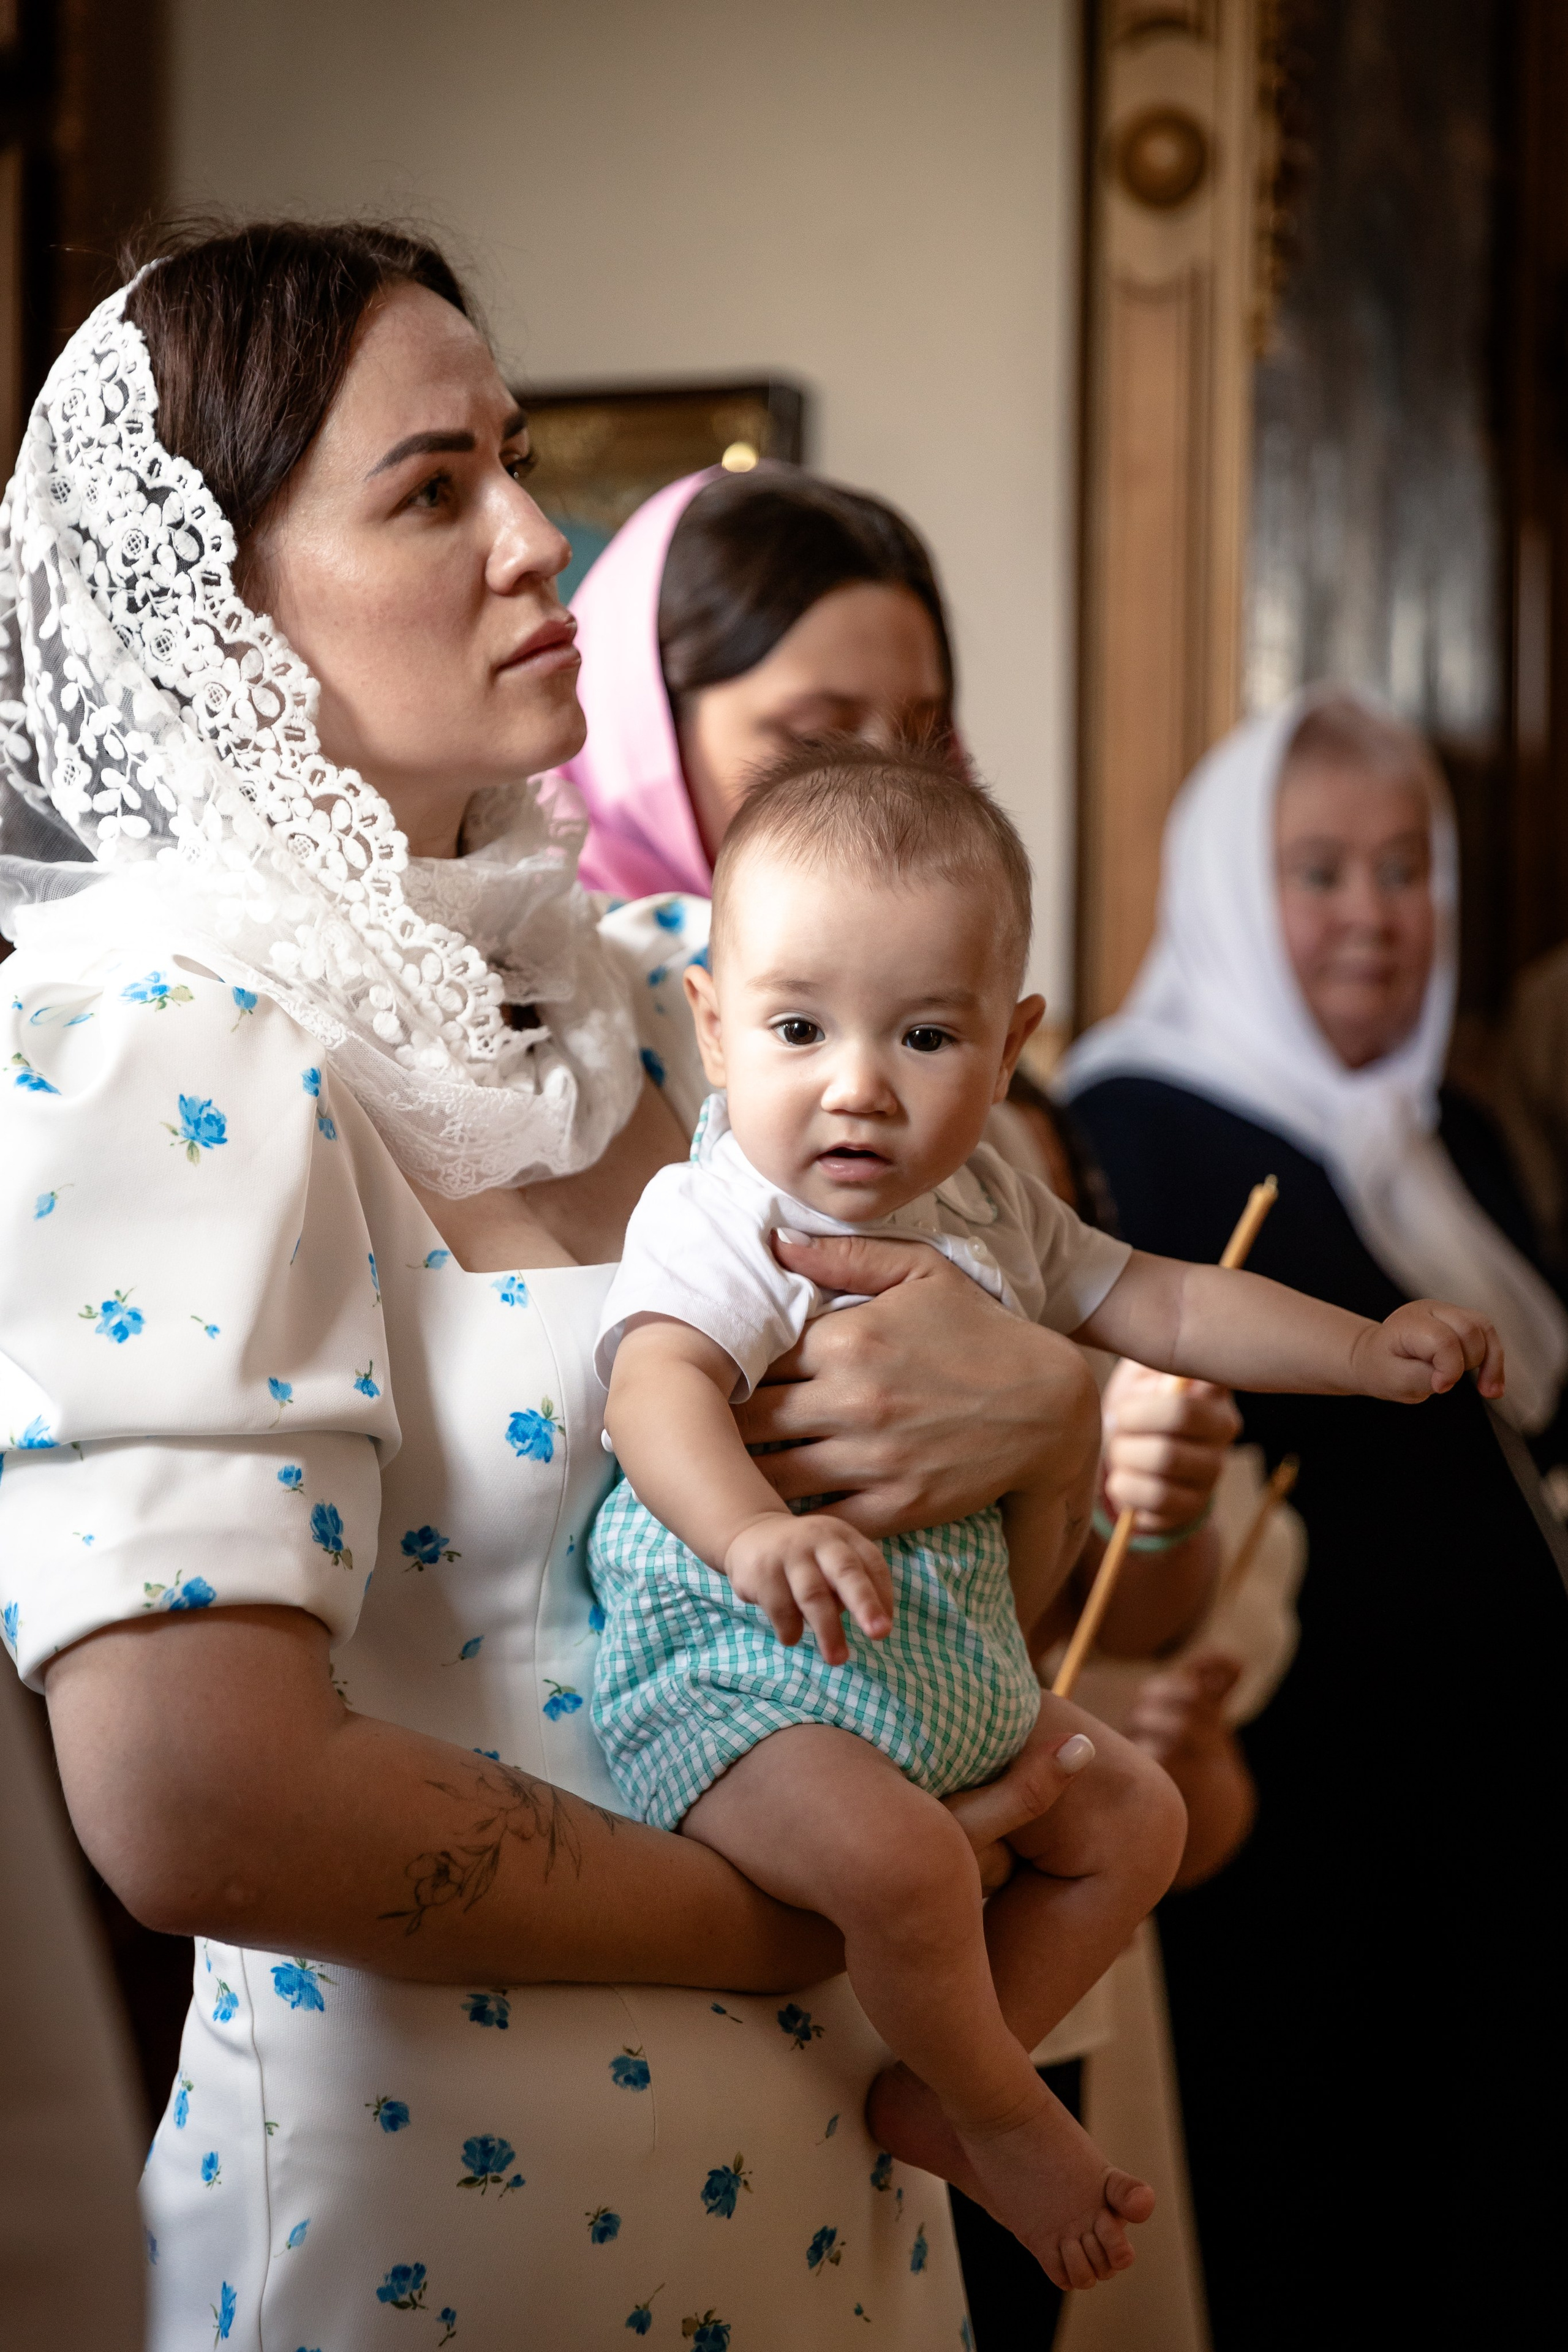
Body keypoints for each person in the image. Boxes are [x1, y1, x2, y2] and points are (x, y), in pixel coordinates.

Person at [0, 221, 1121, 2351]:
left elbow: (996, 1473)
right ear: (215, 610)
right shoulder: (155, 1031)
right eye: (435, 491)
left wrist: (1049, 1411)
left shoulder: (676, 990)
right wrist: (809, 1912)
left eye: (518, 460)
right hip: (444, 2250)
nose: (540, 538)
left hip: (830, 2221)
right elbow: (193, 1800)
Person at [588, 738, 1502, 2293]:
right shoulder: (727, 1209)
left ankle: (949, 2082)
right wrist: (751, 1531)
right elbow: (652, 1386)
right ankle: (1004, 2116)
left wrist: (1357, 1353)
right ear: (714, 1025)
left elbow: (1162, 1300)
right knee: (903, 1869)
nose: (858, 1084)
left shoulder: (993, 1205)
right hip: (745, 1683)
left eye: (924, 1033)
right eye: (798, 1027)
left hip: (944, 1685)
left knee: (1131, 1819)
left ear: (1006, 1048)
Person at [1060, 689, 1568, 2346]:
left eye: (1407, 869)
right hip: (1283, 1820)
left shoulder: (1451, 1134)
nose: (1374, 914)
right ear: (1223, 894)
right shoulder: (1129, 1135)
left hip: (1474, 1816)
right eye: (1322, 871)